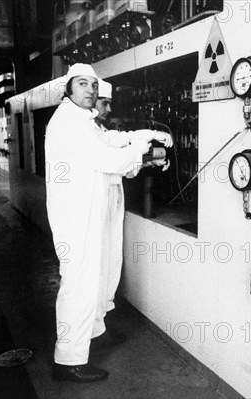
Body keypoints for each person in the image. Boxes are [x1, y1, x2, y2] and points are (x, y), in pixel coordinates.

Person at [45, 64, 157, 383]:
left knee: (102, 272)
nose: (91, 91)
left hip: (90, 211)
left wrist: (141, 142)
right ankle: (68, 360)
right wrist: (141, 153)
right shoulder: (69, 122)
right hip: (76, 214)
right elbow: (108, 159)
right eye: (83, 84)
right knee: (80, 283)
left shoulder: (85, 121)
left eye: (94, 85)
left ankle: (94, 331)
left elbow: (109, 143)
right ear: (69, 89)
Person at [90, 79, 172, 349]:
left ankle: (99, 326)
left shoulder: (99, 130)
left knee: (111, 261)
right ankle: (90, 331)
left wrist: (149, 152)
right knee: (97, 268)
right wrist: (143, 149)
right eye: (105, 102)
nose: (109, 108)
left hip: (110, 198)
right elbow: (113, 160)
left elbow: (119, 146)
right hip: (95, 204)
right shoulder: (85, 131)